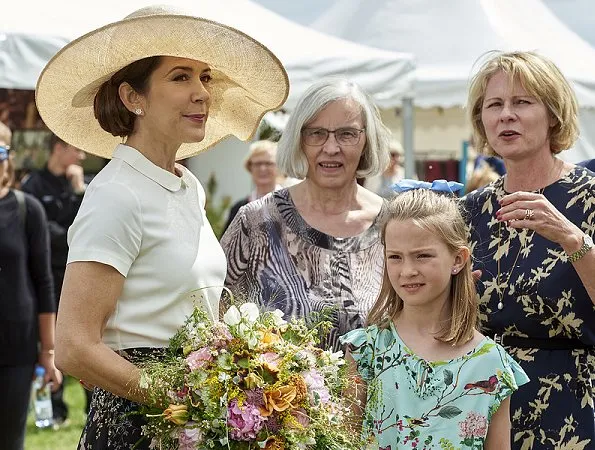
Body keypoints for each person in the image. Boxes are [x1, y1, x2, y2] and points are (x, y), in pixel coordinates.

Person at [35, 5, 288, 449]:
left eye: (204, 77)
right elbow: (75, 345)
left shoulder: (187, 185)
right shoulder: (117, 193)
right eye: (180, 77)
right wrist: (183, 398)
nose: (201, 93)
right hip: (134, 428)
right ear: (134, 98)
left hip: (189, 425)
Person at [464, 51, 595, 449]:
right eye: (495, 105)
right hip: (483, 406)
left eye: (522, 102)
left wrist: (573, 240)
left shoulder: (589, 198)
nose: (506, 115)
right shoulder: (468, 212)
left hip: (575, 409)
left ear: (553, 114)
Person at [341, 186, 529, 449]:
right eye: (395, 257)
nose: (407, 270)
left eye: (422, 256)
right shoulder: (367, 350)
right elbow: (343, 440)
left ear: (458, 259)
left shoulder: (491, 364)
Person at [221, 78, 391, 351]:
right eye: (317, 133)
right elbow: (215, 316)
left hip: (381, 394)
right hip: (277, 394)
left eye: (347, 134)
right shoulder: (257, 222)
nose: (331, 147)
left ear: (366, 142)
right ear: (299, 140)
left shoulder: (393, 225)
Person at [0, 121, 62, 450]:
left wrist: (48, 353)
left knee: (9, 441)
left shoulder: (27, 210)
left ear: (7, 156)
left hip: (16, 348)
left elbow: (43, 282)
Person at [21, 133, 88, 421]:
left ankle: (92, 404)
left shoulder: (78, 185)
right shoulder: (33, 185)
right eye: (77, 148)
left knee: (87, 338)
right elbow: (42, 233)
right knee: (51, 343)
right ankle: (55, 409)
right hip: (47, 274)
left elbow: (89, 227)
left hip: (78, 272)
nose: (82, 156)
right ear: (59, 149)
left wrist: (78, 191)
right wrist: (71, 236)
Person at [222, 140, 282, 234]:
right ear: (250, 167)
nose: (262, 168)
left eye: (268, 163)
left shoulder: (293, 203)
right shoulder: (239, 208)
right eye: (257, 164)